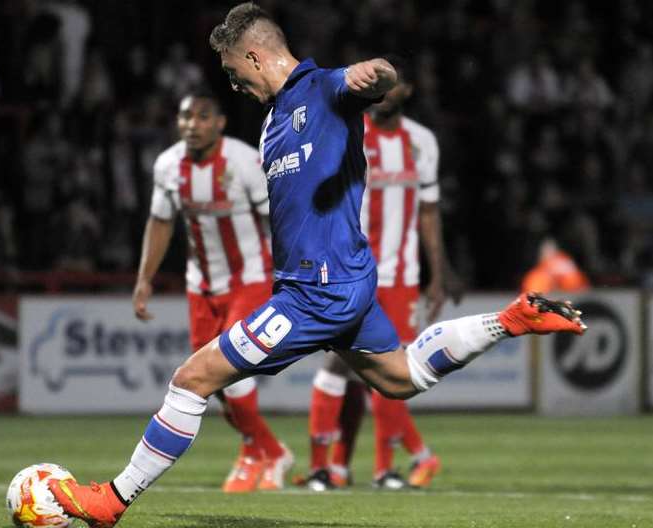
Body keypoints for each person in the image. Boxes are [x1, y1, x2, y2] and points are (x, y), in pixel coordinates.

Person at [46, 4, 586, 526]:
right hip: (338, 280)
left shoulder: (321, 88)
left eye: (234, 73)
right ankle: (510, 320)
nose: (235, 86)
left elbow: (366, 83)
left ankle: (110, 503)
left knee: (192, 379)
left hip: (317, 292)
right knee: (400, 377)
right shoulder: (273, 121)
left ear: (256, 58)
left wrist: (376, 75)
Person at [300, 63, 461, 491]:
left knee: (390, 371)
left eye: (390, 84)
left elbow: (429, 212)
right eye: (375, 84)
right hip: (350, 269)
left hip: (402, 275)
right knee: (339, 366)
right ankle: (326, 467)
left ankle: (369, 469)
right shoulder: (349, 129)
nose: (382, 91)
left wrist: (438, 274)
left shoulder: (421, 141)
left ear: (405, 89)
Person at [131, 88, 292, 493]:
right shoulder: (168, 166)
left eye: (203, 117)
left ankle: (258, 452)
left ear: (219, 123)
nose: (192, 125)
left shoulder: (243, 161)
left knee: (232, 368)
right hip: (200, 284)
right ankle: (268, 449)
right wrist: (144, 278)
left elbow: (277, 219)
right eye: (186, 117)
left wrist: (288, 273)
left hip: (250, 277)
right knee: (209, 381)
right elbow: (161, 222)